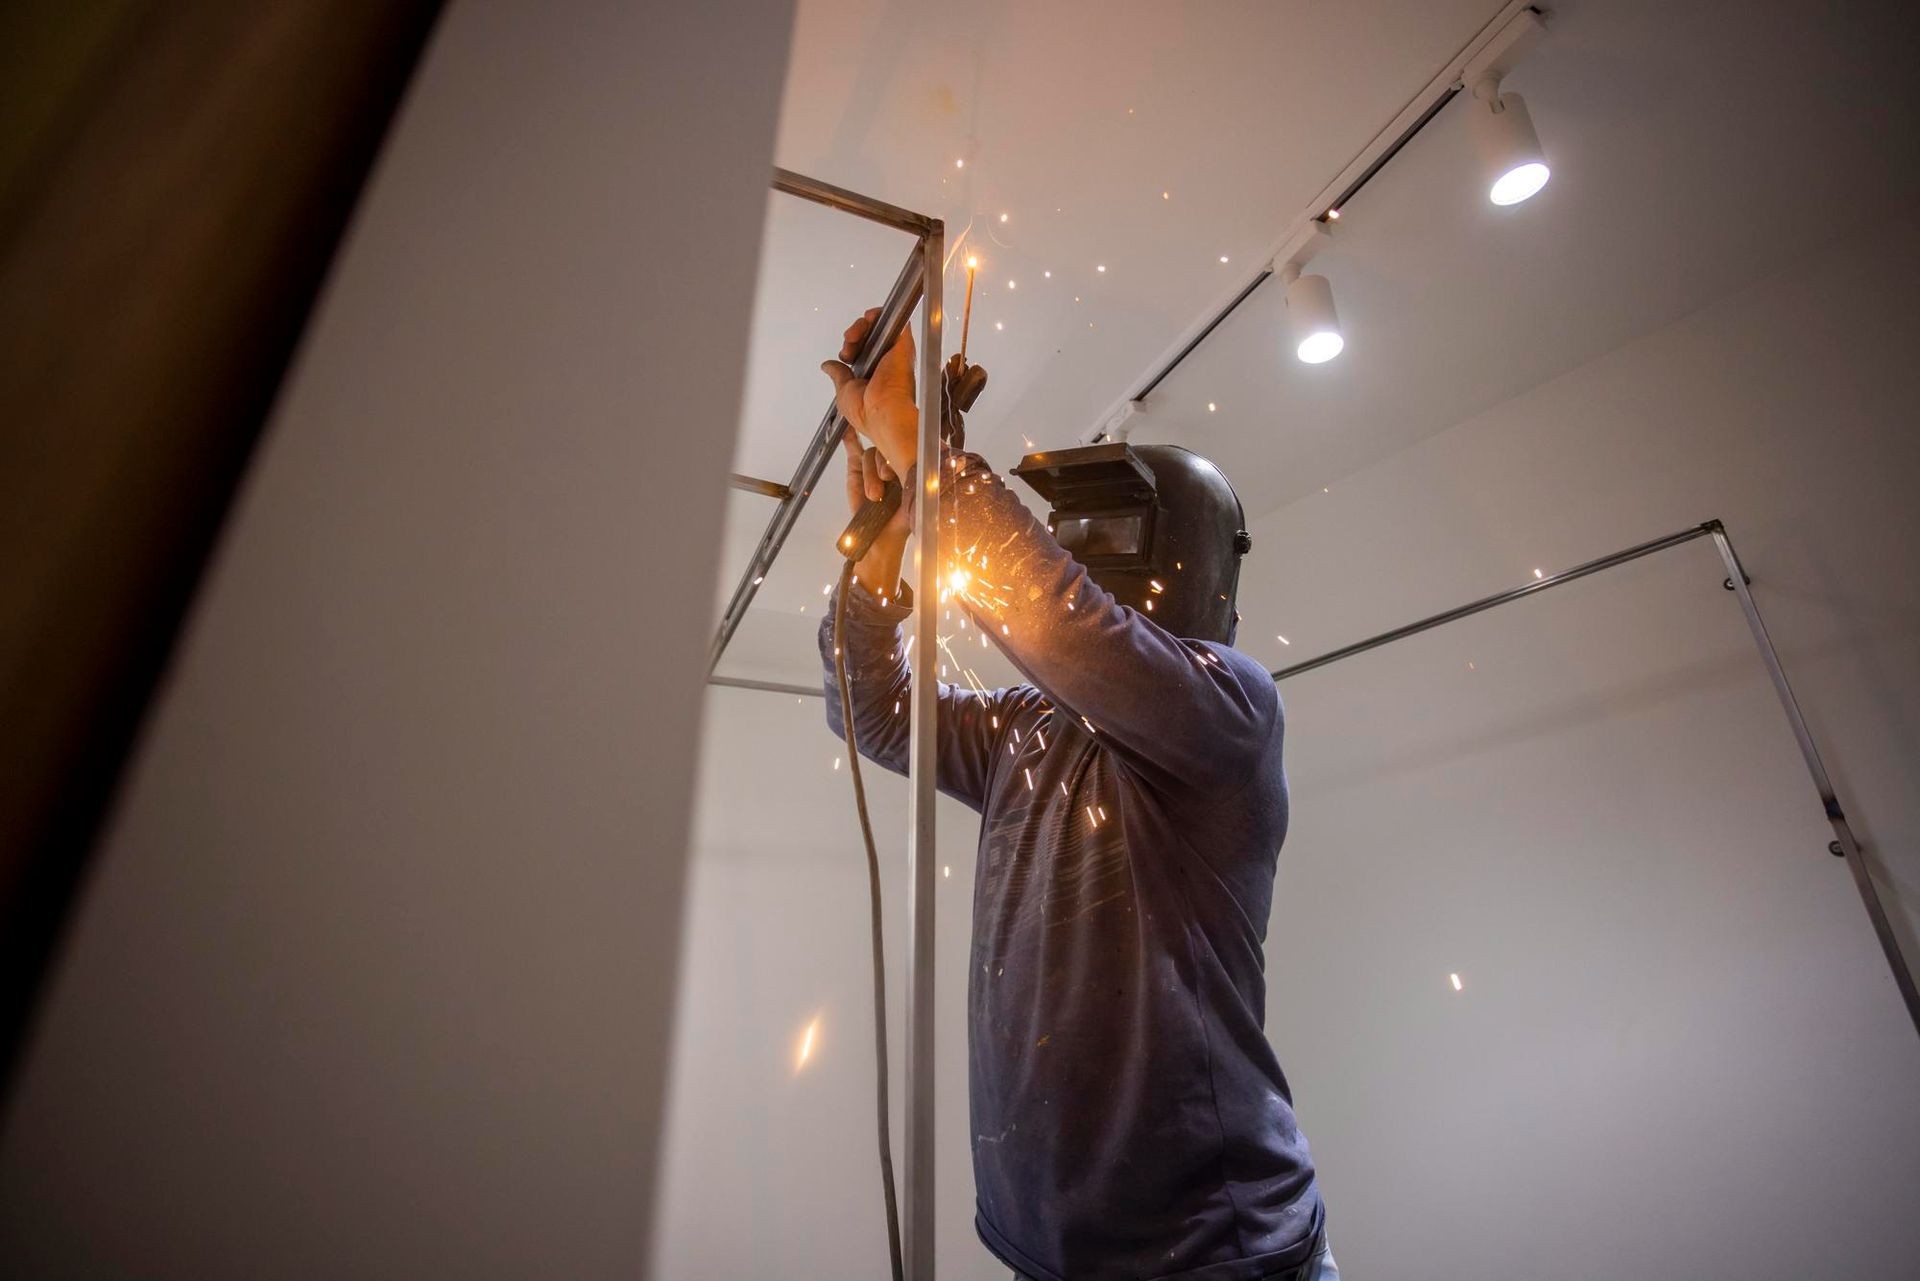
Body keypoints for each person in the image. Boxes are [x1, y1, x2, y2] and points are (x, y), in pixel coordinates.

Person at [820, 308, 1334, 1281]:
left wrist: (929, 460)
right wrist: (880, 566)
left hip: (1218, 1262)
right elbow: (875, 712)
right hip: (1046, 1256)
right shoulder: (1030, 728)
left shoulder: (1230, 713)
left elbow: (1064, 624)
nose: (1083, 556)